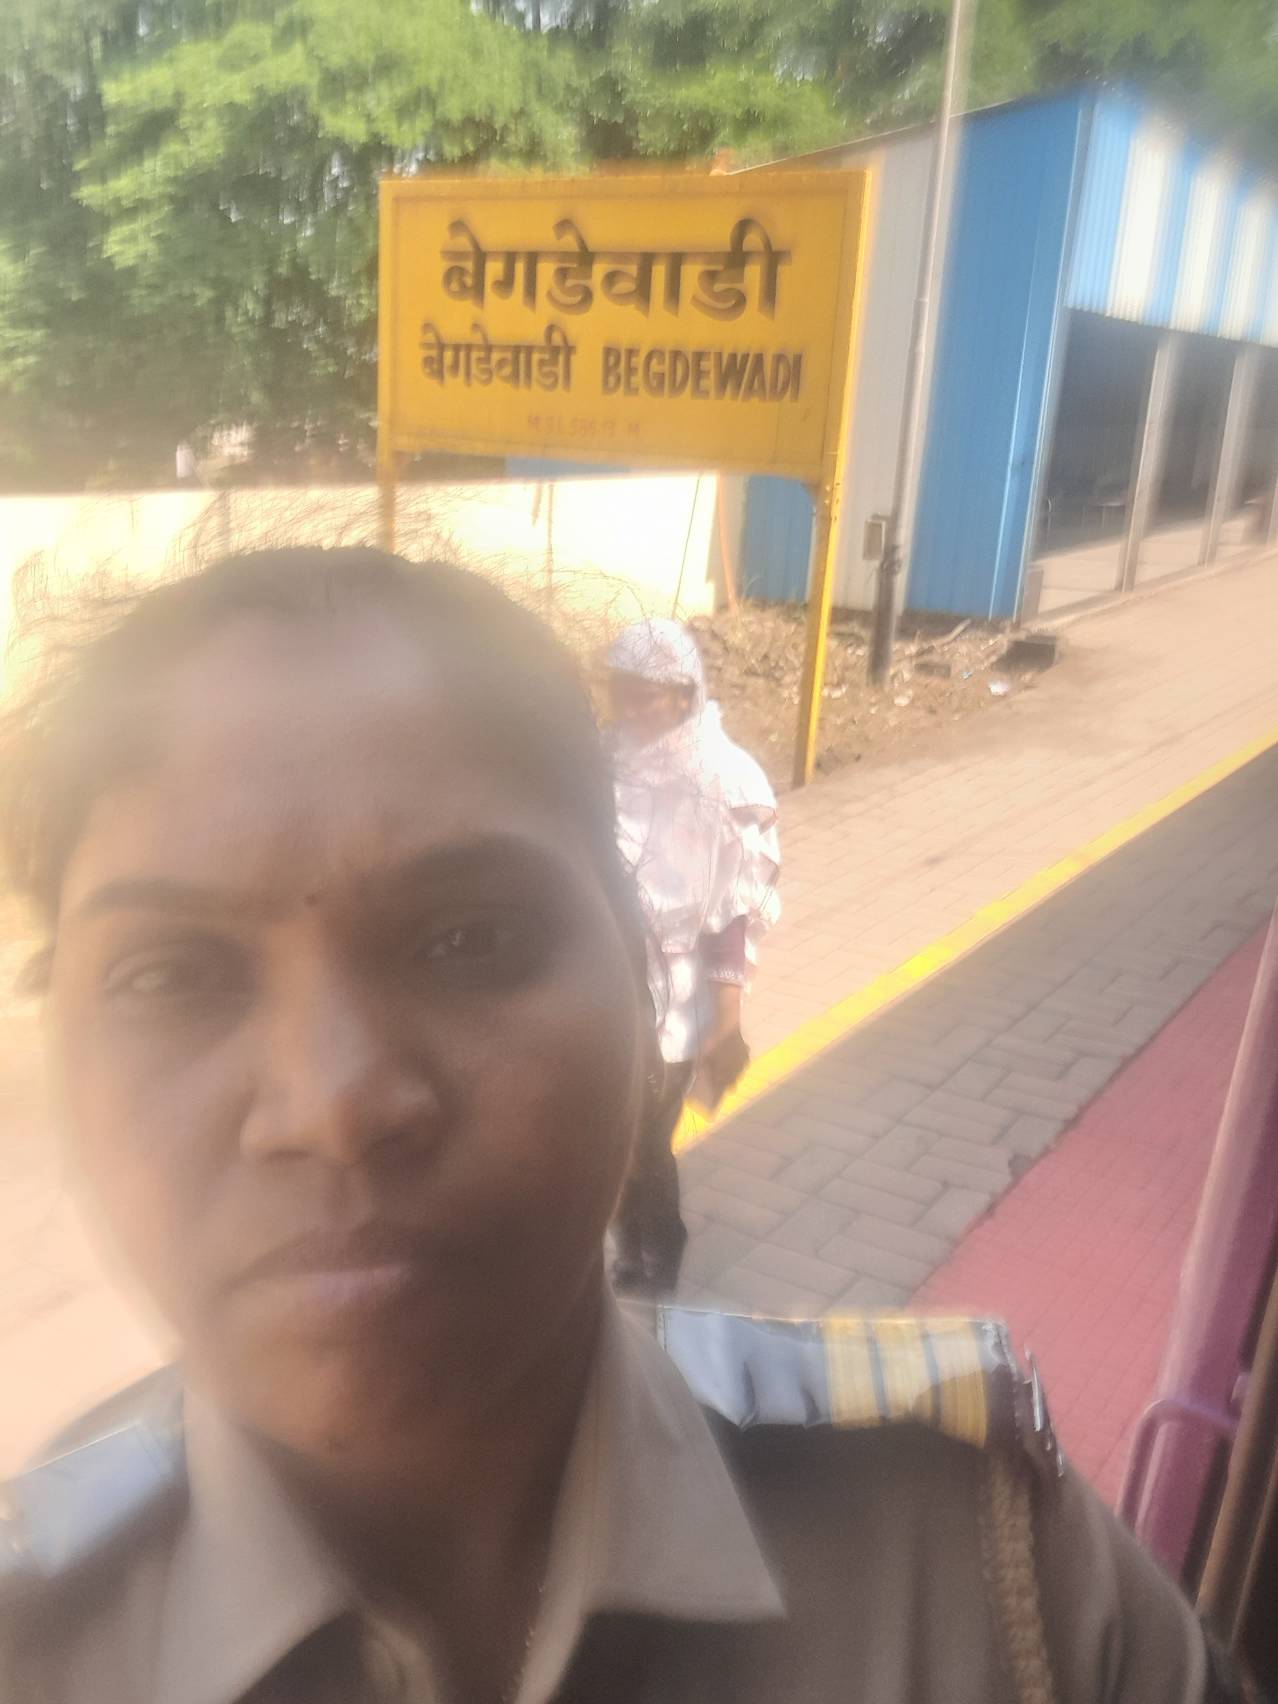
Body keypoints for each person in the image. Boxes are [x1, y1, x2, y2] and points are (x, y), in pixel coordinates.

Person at [0, 548, 1248, 1704]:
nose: (332, 1104)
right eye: (170, 976)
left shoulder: (990, 1569)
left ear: (634, 971)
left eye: (471, 938)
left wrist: (727, 1010)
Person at [605, 618, 780, 1295]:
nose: (632, 709)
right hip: (613, 979)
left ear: (684, 694)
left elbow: (733, 912)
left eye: (647, 695)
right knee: (616, 1129)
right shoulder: (606, 761)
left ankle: (662, 1245)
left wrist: (726, 1020)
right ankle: (631, 1245)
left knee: (646, 1134)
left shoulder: (724, 779)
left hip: (679, 994)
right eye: (622, 692)